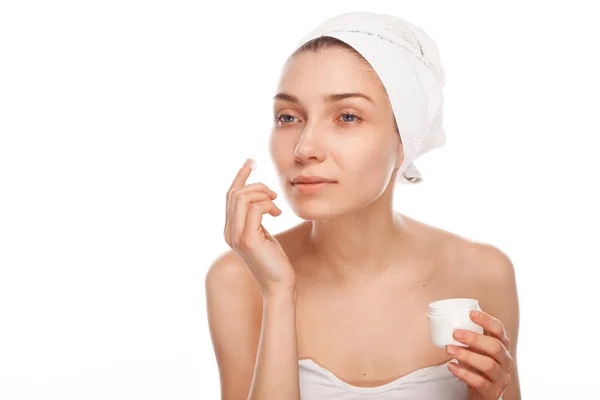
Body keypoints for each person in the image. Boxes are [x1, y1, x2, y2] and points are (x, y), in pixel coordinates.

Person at [206, 11, 521, 400]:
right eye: (288, 117)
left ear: (406, 136)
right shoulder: (237, 279)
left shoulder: (483, 272)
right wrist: (277, 292)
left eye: (347, 116)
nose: (304, 148)